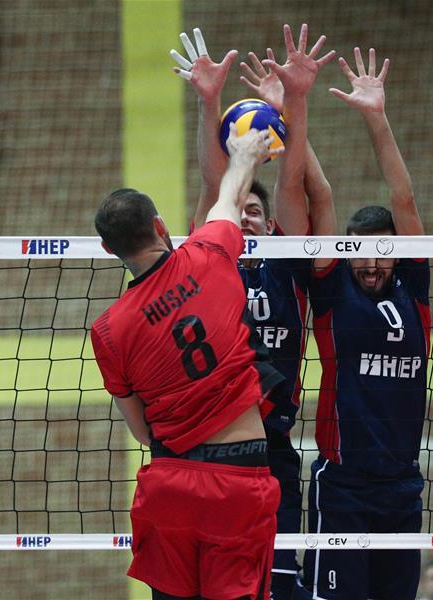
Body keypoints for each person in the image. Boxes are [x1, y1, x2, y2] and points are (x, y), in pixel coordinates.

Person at [171, 25, 335, 599]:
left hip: (273, 451)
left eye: (255, 212)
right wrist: (209, 102)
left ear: (270, 225)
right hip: (211, 451)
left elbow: (293, 182)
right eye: (238, 210)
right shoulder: (206, 263)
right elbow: (216, 184)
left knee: (280, 589)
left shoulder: (287, 263)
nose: (245, 216)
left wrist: (294, 102)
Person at [90, 121, 282, 599]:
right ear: (160, 227)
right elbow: (232, 193)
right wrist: (245, 150)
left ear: (108, 249)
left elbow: (140, 430)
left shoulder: (108, 332)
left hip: (172, 481)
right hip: (239, 476)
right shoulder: (209, 252)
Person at [301, 46, 430, 600]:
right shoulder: (333, 294)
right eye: (362, 252)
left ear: (397, 254)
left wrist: (378, 118)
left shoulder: (415, 293)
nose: (371, 263)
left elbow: (403, 196)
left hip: (402, 486)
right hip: (344, 486)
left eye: (382, 252)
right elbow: (318, 196)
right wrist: (291, 108)